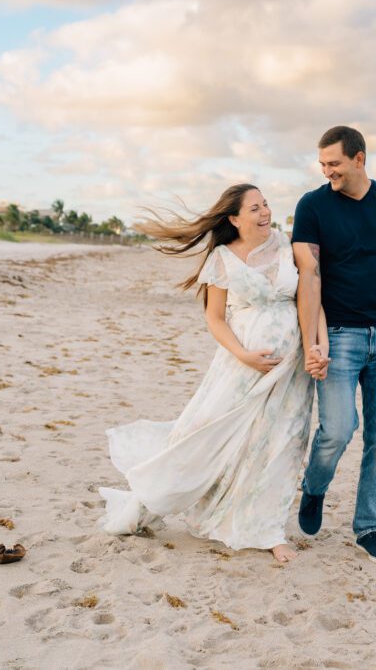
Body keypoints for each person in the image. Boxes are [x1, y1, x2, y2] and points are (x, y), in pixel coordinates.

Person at [99, 184, 325, 563]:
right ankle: (147, 500)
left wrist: (317, 346)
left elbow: (314, 299)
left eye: (265, 204)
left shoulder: (289, 246)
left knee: (280, 444)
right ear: (234, 219)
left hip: (290, 370)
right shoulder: (222, 258)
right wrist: (244, 355)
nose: (265, 212)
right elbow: (215, 319)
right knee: (204, 434)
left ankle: (268, 530)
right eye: (255, 208)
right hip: (240, 367)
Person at [292, 126, 376, 565]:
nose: (327, 171)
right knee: (336, 430)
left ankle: (368, 526)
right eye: (322, 164)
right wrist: (313, 340)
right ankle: (314, 487)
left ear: (359, 159)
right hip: (338, 337)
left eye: (334, 163)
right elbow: (308, 277)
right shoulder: (312, 206)